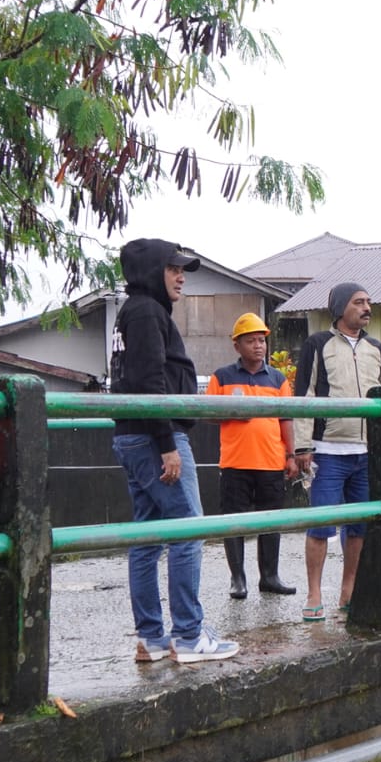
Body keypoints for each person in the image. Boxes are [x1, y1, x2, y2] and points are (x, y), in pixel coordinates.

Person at [110, 238, 239, 663]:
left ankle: (152, 637)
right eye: (173, 269)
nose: (181, 276)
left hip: (134, 434)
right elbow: (149, 381)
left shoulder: (134, 312)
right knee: (187, 530)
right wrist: (166, 444)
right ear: (151, 272)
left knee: (147, 537)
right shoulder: (146, 311)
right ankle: (188, 635)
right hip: (154, 437)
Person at [292, 283, 381, 622]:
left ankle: (349, 590)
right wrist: (303, 446)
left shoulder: (376, 349)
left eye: (369, 302)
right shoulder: (318, 344)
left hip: (366, 452)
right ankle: (314, 593)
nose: (367, 307)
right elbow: (304, 394)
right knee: (321, 524)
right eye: (358, 302)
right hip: (327, 451)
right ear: (339, 308)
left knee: (360, 527)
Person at [209, 311, 298, 600]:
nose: (258, 346)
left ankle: (269, 577)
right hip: (235, 462)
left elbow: (287, 419)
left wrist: (291, 455)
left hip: (271, 461)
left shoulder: (278, 379)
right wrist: (232, 412)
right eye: (251, 341)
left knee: (270, 522)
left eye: (261, 340)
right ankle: (238, 579)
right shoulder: (221, 377)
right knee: (233, 522)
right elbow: (205, 413)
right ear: (237, 346)